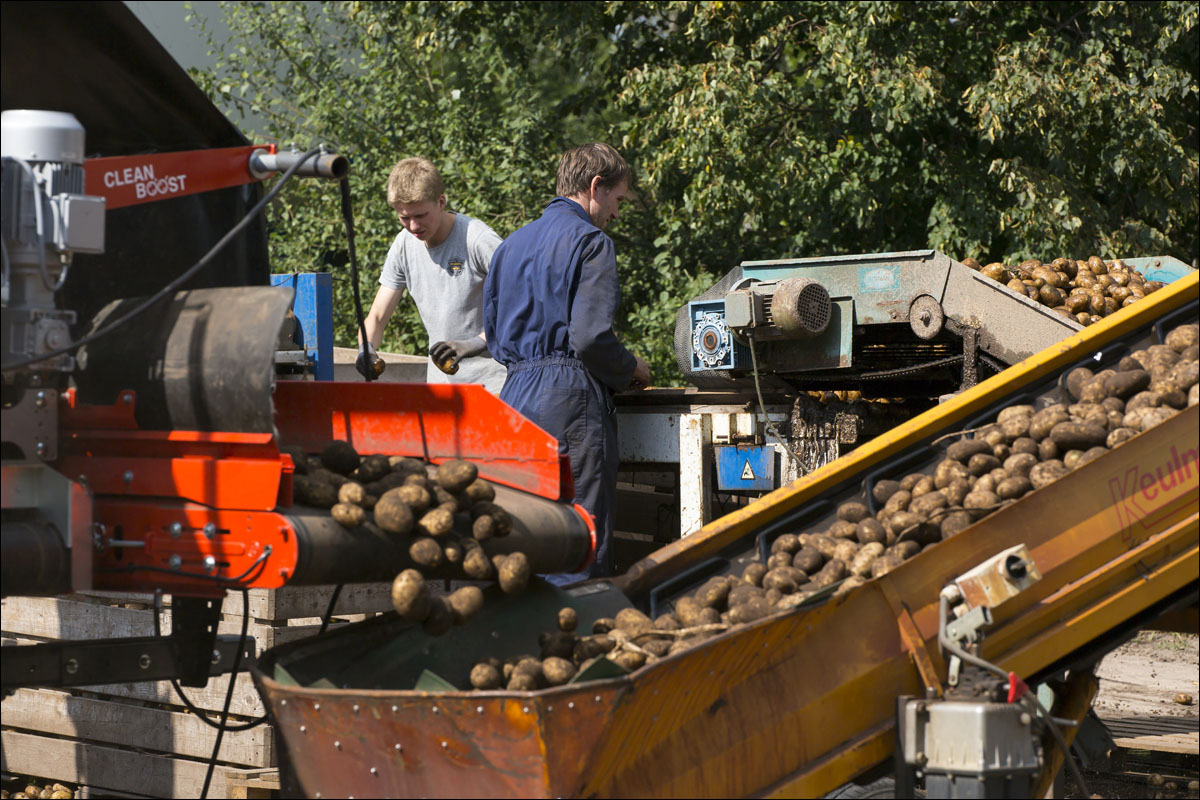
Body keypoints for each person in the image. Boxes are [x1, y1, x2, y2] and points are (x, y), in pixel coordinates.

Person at [484, 143, 651, 582]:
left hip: (514, 398)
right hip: (569, 402)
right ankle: (577, 641)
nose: (616, 214)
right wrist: (630, 368)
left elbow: (497, 338)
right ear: (596, 187)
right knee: (579, 535)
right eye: (616, 201)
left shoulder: (509, 247)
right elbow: (591, 337)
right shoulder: (592, 242)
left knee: (523, 533)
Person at [356, 157, 507, 394]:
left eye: (421, 215)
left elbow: (523, 307)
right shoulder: (404, 245)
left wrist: (474, 344)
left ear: (441, 201)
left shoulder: (477, 240)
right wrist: (366, 349)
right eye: (404, 218)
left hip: (495, 385)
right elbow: (376, 316)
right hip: (442, 389)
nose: (413, 226)